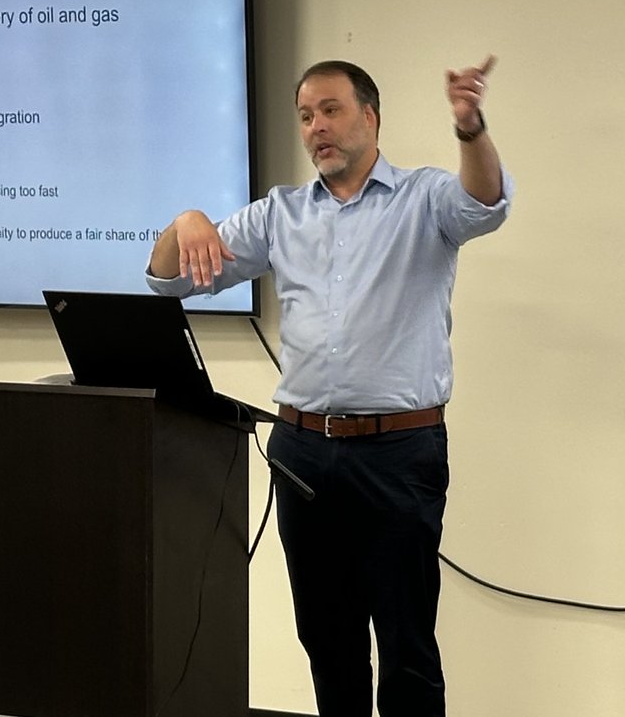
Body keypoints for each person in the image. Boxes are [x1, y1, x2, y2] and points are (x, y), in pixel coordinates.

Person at [145, 58, 513, 717]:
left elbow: (486, 204)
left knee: (406, 645)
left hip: (400, 454)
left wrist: (469, 128)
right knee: (327, 639)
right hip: (302, 452)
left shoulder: (424, 198)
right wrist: (187, 219)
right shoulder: (281, 215)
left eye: (332, 110)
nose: (317, 127)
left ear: (370, 117)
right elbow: (167, 280)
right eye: (307, 115)